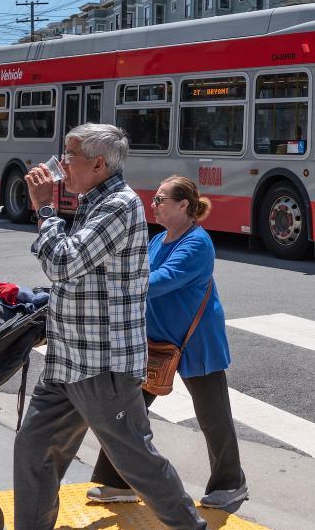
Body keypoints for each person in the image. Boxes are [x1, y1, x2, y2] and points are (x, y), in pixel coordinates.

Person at [15, 124, 206, 530]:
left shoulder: (119, 205)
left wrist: (45, 210)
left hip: (102, 364)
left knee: (137, 461)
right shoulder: (92, 200)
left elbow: (63, 264)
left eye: (69, 156)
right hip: (69, 359)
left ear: (98, 163)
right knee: (34, 450)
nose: (61, 164)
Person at [88, 175, 247, 511]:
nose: (153, 204)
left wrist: (118, 282)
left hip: (196, 343)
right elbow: (137, 270)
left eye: (160, 199)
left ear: (183, 205)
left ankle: (231, 484)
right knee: (126, 414)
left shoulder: (197, 244)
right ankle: (118, 481)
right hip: (156, 343)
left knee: (212, 416)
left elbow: (160, 280)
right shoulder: (159, 239)